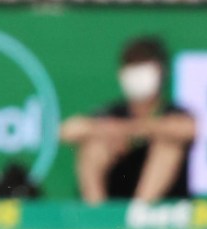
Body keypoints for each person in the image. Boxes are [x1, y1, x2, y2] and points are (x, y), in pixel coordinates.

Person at [60, 37, 196, 204]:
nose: (137, 76)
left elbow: (189, 129)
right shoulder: (114, 112)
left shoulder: (172, 111)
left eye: (143, 67)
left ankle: (140, 212)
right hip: (115, 197)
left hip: (163, 206)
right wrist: (110, 134)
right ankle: (96, 214)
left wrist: (134, 131)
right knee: (94, 147)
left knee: (168, 145)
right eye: (132, 66)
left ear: (161, 71)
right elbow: (67, 131)